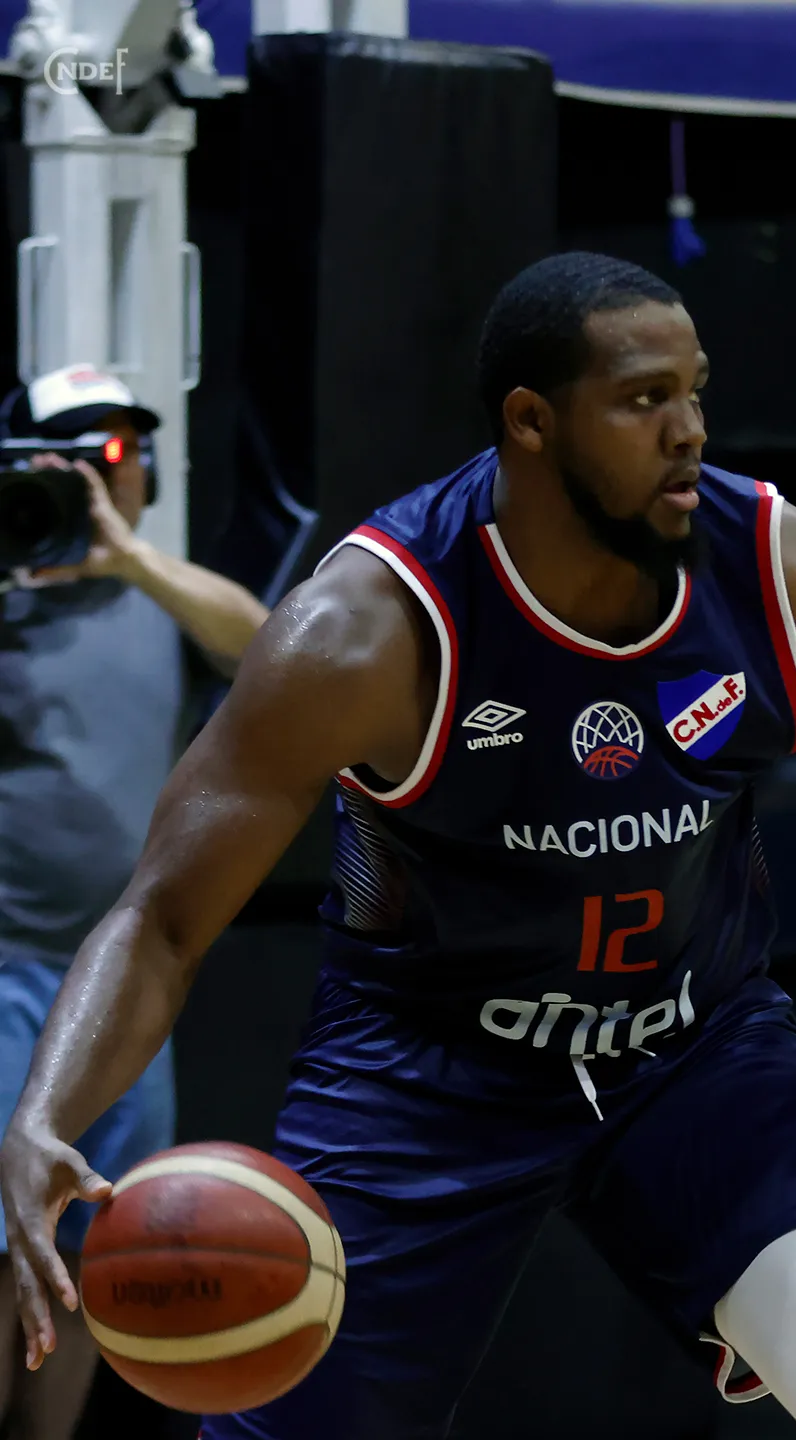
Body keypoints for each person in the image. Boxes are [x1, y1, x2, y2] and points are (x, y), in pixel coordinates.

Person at [0, 255, 796, 1440]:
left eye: (695, 393)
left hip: (696, 1047)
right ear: (531, 420)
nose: (688, 431)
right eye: (644, 399)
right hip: (423, 1077)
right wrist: (43, 1119)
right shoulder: (366, 630)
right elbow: (161, 919)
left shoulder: (777, 560)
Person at [0, 363, 270, 1439]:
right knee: (5, 1238)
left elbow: (267, 646)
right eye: (69, 458)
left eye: (117, 452)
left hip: (119, 988)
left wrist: (129, 557)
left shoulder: (164, 599)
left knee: (92, 1246)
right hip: (8, 971)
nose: (101, 475)